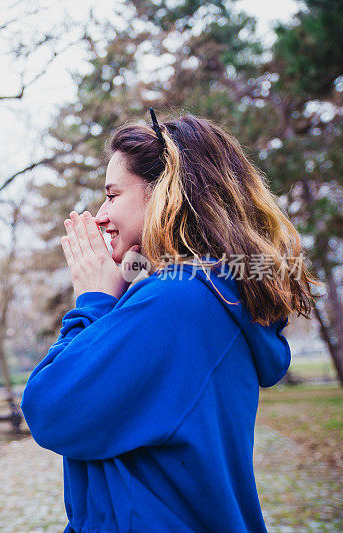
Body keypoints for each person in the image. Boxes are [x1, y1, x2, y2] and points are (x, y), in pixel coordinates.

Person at [21, 111, 316, 533]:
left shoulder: (177, 300)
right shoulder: (212, 294)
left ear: (164, 191)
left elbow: (50, 408)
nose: (101, 215)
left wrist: (92, 302)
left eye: (113, 194)